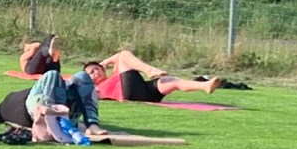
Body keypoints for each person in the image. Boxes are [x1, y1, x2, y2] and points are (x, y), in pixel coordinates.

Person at [0, 80, 180, 146]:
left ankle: (91, 124)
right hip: (38, 109)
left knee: (80, 77)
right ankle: (49, 118)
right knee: (52, 74)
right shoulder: (0, 112)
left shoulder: (4, 108)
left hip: (56, 102)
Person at [85, 49, 224, 103]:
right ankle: (149, 70)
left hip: (144, 92)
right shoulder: (96, 88)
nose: (96, 72)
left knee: (170, 81)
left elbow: (117, 56)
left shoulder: (115, 74)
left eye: (97, 69)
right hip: (129, 94)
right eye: (91, 72)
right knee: (124, 55)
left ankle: (205, 86)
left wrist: (105, 62)